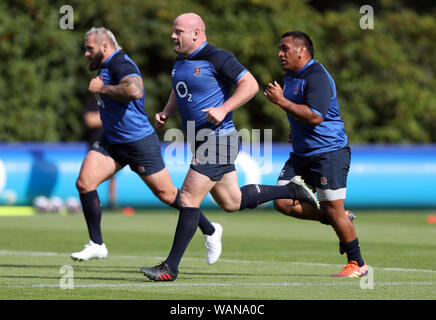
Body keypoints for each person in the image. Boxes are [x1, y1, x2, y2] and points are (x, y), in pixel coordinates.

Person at [140, 13, 319, 282]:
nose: (173, 36)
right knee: (231, 202)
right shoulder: (181, 62)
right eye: (173, 31)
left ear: (197, 33)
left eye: (178, 31)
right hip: (198, 140)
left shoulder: (217, 57)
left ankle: (170, 268)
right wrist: (166, 111)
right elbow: (180, 91)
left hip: (219, 140)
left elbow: (250, 84)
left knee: (188, 197)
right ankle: (291, 189)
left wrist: (224, 109)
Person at [71, 27, 222, 264]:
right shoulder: (106, 66)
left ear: (105, 47)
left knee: (168, 194)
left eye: (90, 49)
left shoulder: (121, 63)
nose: (86, 54)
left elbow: (134, 89)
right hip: (112, 141)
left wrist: (101, 88)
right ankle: (97, 244)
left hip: (138, 142)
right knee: (84, 182)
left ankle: (211, 230)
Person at [264, 31, 367, 277]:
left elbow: (315, 116)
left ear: (302, 50)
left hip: (328, 152)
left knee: (333, 208)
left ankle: (358, 265)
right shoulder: (290, 77)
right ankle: (341, 218)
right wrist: (295, 132)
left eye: (285, 48)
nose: (280, 53)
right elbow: (302, 115)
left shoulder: (316, 75)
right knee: (282, 202)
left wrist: (281, 102)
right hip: (301, 154)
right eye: (280, 48)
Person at [83, 97, 117, 210]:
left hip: (111, 142)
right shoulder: (93, 101)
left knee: (112, 174)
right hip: (95, 144)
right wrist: (107, 116)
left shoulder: (114, 100)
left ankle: (112, 203)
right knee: (91, 175)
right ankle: (92, 202)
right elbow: (90, 120)